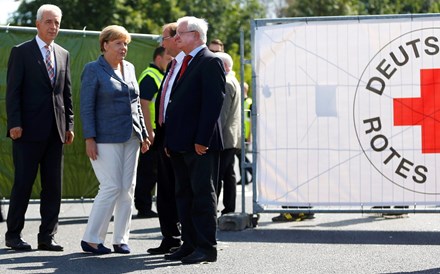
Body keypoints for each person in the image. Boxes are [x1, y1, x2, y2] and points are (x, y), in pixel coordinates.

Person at [5, 4, 74, 252]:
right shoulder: (21, 52)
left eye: (56, 22)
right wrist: (15, 123)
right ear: (37, 24)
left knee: (53, 187)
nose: (53, 26)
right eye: (48, 22)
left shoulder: (63, 53)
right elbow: (12, 92)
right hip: (26, 133)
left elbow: (66, 94)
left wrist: (70, 125)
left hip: (56, 132)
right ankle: (13, 235)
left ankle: (47, 236)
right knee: (23, 183)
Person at [79, 25, 150, 255]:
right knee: (111, 186)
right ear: (105, 44)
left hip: (132, 136)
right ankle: (91, 239)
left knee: (127, 189)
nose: (124, 48)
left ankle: (120, 239)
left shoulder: (129, 68)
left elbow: (136, 103)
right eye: (119, 43)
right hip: (104, 138)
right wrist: (89, 138)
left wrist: (144, 134)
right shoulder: (93, 69)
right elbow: (86, 107)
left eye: (126, 43)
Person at [163, 16, 225, 264]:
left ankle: (206, 247)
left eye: (180, 33)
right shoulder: (182, 62)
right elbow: (172, 102)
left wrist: (202, 139)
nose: (176, 38)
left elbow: (213, 104)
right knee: (184, 195)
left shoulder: (210, 61)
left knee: (201, 195)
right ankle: (189, 244)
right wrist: (170, 141)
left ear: (196, 35)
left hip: (199, 144)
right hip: (179, 143)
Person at [147, 22, 183, 255]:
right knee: (165, 192)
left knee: (181, 191)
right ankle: (170, 238)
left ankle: (184, 239)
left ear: (177, 39)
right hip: (163, 138)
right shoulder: (170, 67)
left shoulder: (187, 66)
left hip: (178, 139)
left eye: (164, 38)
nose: (161, 43)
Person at [134, 46, 172, 219]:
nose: (170, 61)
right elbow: (143, 104)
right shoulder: (151, 76)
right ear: (158, 58)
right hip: (152, 131)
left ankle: (145, 205)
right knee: (148, 171)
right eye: (167, 58)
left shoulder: (160, 75)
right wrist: (149, 131)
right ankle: (143, 206)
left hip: (157, 130)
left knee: (154, 170)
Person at [215, 52, 241, 215]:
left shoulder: (225, 83)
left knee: (217, 175)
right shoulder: (234, 81)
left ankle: (212, 208)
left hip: (224, 137)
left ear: (223, 66)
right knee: (228, 173)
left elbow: (221, 115)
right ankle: (229, 207)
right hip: (232, 136)